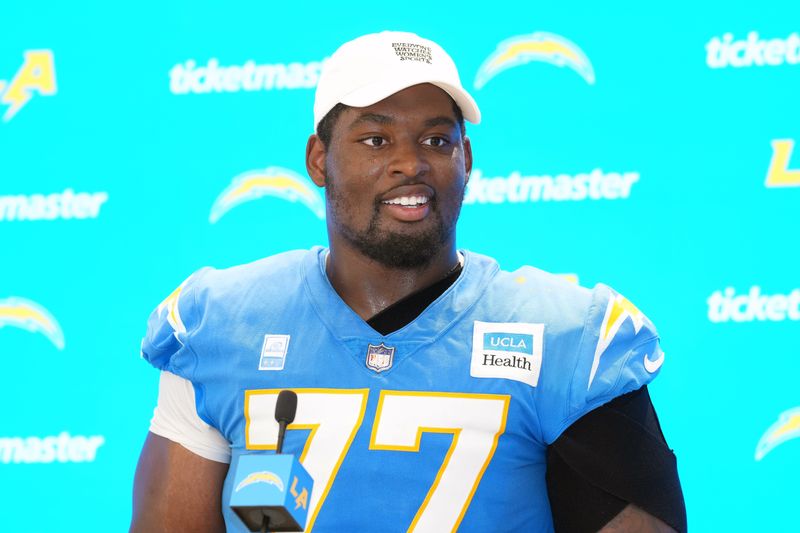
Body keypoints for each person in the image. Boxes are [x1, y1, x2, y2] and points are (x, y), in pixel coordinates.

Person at [131, 31, 685, 532]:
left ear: (466, 159)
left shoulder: (567, 339)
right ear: (319, 160)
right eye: (376, 139)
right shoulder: (221, 324)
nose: (410, 163)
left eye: (437, 141)